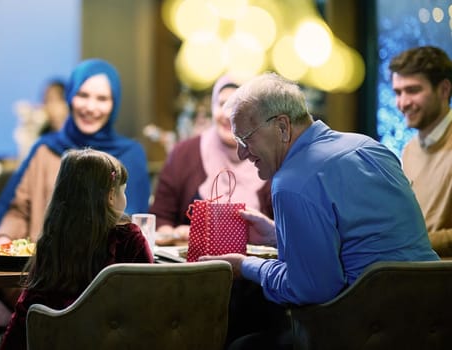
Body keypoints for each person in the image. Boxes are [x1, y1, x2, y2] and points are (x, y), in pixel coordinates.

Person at [200, 73, 440, 349]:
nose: (241, 153)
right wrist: (276, 235)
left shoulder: (291, 181)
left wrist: (245, 265)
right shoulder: (369, 147)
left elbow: (313, 288)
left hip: (368, 328)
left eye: (246, 139)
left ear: (282, 127)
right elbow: (362, 238)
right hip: (433, 316)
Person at [0, 148, 154, 350]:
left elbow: (24, 313)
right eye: (123, 191)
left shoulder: (52, 241)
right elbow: (149, 299)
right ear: (110, 196)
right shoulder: (128, 238)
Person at [0, 58, 151, 243]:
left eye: (102, 99)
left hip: (107, 268)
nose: (90, 107)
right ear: (70, 96)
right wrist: (3, 239)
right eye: (82, 95)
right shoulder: (46, 149)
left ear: (114, 104)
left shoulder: (130, 155)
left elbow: (133, 225)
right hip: (46, 266)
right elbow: (18, 211)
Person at [149, 75, 271, 244]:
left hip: (254, 267)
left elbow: (286, 230)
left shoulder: (269, 158)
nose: (229, 114)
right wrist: (175, 234)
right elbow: (160, 219)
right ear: (213, 108)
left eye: (239, 105)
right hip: (192, 267)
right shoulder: (184, 153)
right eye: (222, 104)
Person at [389, 45, 452, 257]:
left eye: (413, 90)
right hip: (414, 274)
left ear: (444, 90)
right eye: (398, 92)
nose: (403, 103)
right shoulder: (410, 150)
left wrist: (408, 240)